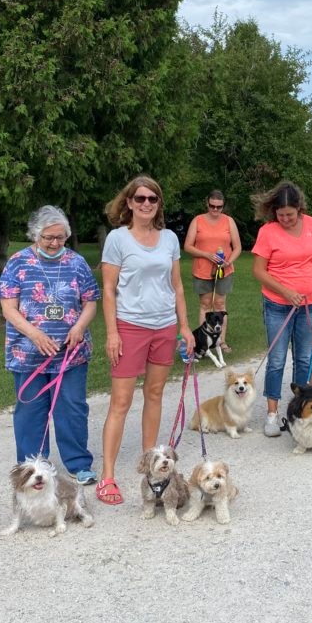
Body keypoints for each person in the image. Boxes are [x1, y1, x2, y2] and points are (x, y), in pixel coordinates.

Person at [96, 176, 195, 505]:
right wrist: (112, 332)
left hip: (164, 326)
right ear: (129, 202)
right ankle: (107, 475)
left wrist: (184, 327)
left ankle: (152, 466)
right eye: (140, 198)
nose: (146, 204)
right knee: (120, 403)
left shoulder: (168, 239)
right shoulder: (118, 239)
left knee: (154, 394)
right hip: (130, 326)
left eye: (153, 199)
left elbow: (177, 286)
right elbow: (108, 290)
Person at [0, 205, 100, 485]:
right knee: (30, 410)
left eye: (60, 237)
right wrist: (35, 335)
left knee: (72, 407)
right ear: (35, 235)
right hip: (28, 352)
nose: (55, 243)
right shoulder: (18, 263)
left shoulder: (77, 263)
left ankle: (78, 464)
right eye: (48, 238)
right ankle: (34, 468)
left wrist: (79, 327)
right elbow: (8, 308)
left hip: (70, 353)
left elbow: (90, 302)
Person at [251, 181, 312, 437]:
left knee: (305, 358)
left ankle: (300, 411)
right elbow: (258, 271)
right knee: (277, 360)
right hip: (278, 305)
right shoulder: (267, 231)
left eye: (290, 215)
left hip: (310, 303)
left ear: (299, 209)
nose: (284, 219)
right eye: (280, 215)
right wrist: (285, 291)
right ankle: (272, 414)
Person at [183, 189, 242, 352]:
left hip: (224, 270)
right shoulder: (198, 220)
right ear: (207, 204)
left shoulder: (229, 221)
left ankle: (221, 341)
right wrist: (206, 255)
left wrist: (228, 261)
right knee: (205, 304)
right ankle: (204, 342)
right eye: (212, 206)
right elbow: (187, 246)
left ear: (223, 206)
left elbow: (237, 247)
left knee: (220, 303)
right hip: (202, 269)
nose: (215, 210)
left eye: (219, 207)